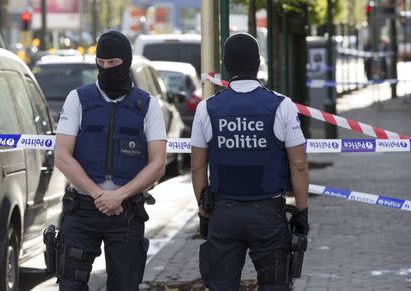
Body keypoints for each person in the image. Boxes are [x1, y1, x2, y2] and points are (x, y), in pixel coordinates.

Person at [190, 32, 309, 291]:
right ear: (258, 63)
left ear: (226, 64)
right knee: (275, 285)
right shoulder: (282, 105)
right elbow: (298, 165)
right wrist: (302, 211)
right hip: (268, 214)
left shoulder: (207, 108)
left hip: (224, 213)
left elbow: (198, 167)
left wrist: (203, 212)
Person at [54, 30, 167, 291]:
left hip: (126, 212)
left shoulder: (147, 105)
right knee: (70, 285)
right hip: (82, 209)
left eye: (113, 64)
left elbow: (158, 163)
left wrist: (120, 195)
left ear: (125, 62)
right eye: (101, 63)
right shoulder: (78, 99)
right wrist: (98, 195)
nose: (106, 69)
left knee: (125, 285)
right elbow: (62, 155)